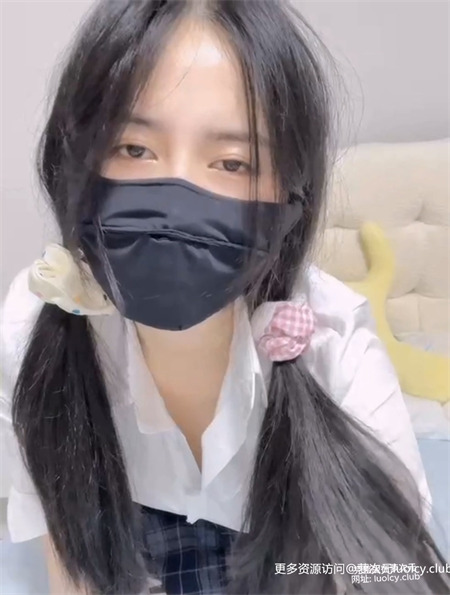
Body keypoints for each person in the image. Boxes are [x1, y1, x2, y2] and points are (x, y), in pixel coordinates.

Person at [1, 1, 448, 594]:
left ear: (289, 196)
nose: (176, 198)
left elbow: (390, 571)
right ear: (73, 155)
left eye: (232, 162)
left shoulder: (332, 344)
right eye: (134, 148)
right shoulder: (34, 325)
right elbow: (66, 551)